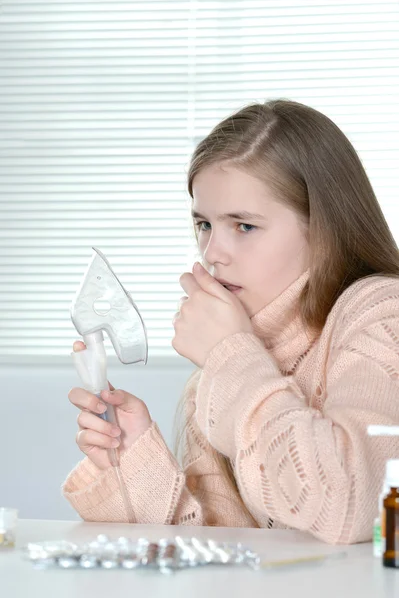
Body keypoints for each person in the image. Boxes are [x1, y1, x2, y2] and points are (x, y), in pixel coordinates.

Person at [63, 99, 399, 544]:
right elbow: (229, 550)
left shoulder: (381, 312)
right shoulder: (225, 371)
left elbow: (353, 505)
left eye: (242, 226)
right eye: (204, 224)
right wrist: (134, 461)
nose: (211, 253)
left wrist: (230, 355)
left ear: (324, 229)